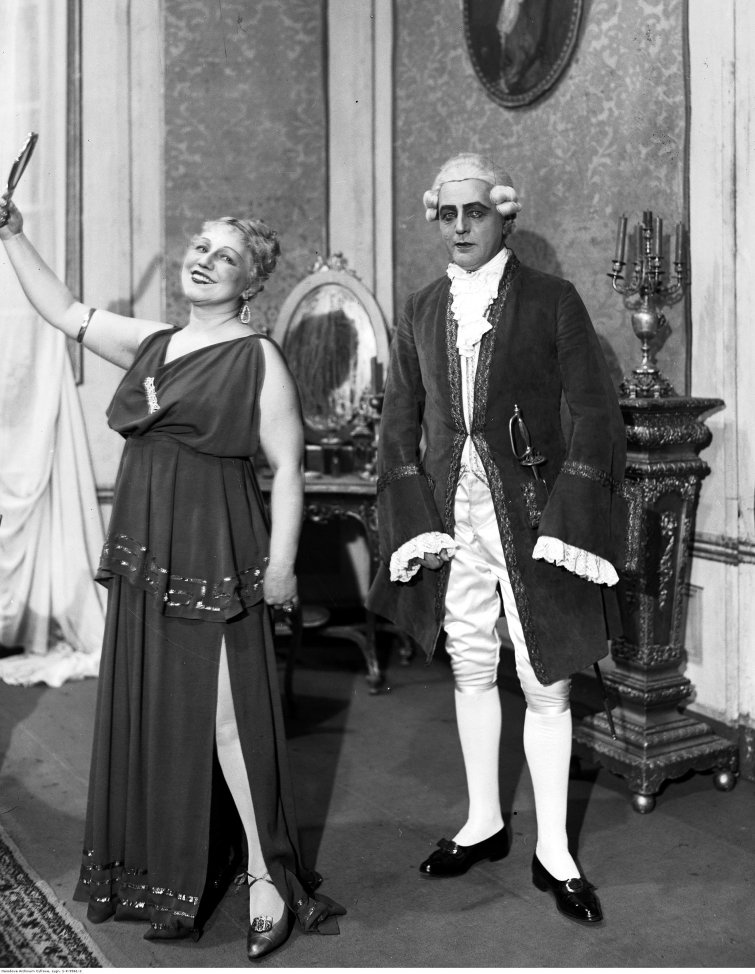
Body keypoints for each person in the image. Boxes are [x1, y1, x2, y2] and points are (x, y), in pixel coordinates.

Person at [0, 197, 344, 959]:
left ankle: (265, 876)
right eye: (199, 246)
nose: (203, 259)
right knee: (157, 710)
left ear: (250, 282)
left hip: (215, 544)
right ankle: (174, 873)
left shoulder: (258, 358)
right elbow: (64, 311)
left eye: (224, 256)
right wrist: (14, 236)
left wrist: (282, 565)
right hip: (148, 548)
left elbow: (288, 468)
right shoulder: (154, 343)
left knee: (225, 720)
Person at [367, 153, 628, 926]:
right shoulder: (420, 309)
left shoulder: (551, 299)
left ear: (501, 215)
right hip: (452, 519)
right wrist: (414, 515)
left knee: (545, 678)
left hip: (533, 518)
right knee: (470, 664)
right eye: (447, 214)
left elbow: (593, 412)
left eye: (473, 212)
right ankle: (483, 820)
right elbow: (398, 422)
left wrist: (569, 513)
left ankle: (554, 849)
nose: (459, 227)